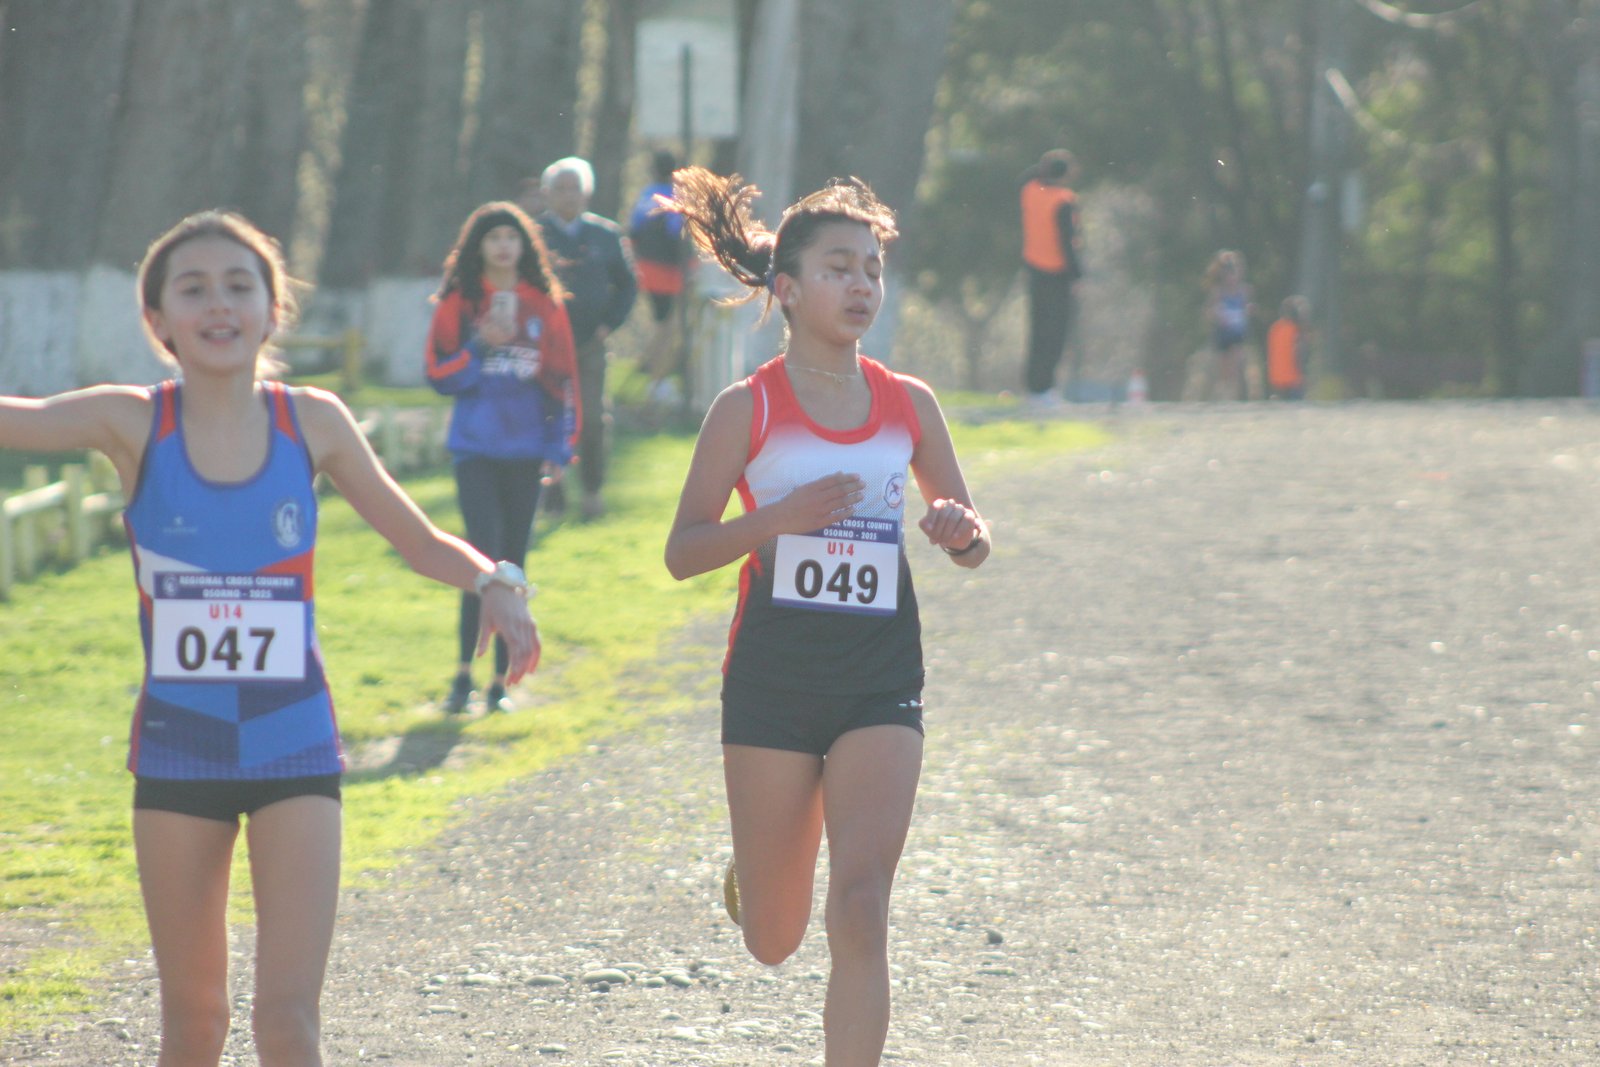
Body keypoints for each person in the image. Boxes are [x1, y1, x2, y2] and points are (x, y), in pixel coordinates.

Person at [0, 210, 539, 1066]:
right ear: (158, 321)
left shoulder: (312, 422)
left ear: (272, 309)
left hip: (296, 750)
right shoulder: (131, 422)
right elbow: (12, 419)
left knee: (287, 1021)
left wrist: (492, 581)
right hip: (177, 756)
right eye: (194, 288)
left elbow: (419, 540)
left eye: (239, 285)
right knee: (196, 1021)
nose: (219, 305)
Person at [664, 167, 991, 1066]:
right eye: (839, 268)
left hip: (878, 677)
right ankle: (761, 872)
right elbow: (683, 550)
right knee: (775, 936)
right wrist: (774, 519)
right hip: (771, 679)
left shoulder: (907, 403)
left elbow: (972, 542)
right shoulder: (747, 408)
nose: (861, 287)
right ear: (787, 288)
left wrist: (960, 531)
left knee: (861, 903)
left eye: (872, 271)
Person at [426, 201, 577, 714]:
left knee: (514, 561)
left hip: (526, 450)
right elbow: (438, 376)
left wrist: (560, 449)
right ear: (479, 246)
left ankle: (500, 685)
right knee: (480, 560)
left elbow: (562, 382)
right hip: (476, 449)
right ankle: (461, 678)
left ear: (524, 246)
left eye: (512, 236)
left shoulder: (545, 304)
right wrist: (476, 347)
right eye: (493, 237)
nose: (503, 245)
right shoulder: (460, 302)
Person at [535, 156, 637, 519]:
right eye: (560, 189)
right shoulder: (534, 235)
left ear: (586, 193)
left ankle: (592, 490)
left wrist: (609, 324)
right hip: (544, 346)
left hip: (591, 344)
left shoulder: (606, 235)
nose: (568, 196)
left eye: (574, 188)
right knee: (548, 416)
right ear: (546, 193)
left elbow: (627, 286)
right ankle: (551, 491)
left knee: (591, 418)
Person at [1019, 149, 1084, 406]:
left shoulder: (1030, 190)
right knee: (1055, 333)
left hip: (1034, 269)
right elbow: (1067, 242)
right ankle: (1045, 388)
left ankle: (1032, 387)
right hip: (1058, 273)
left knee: (1037, 331)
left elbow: (1026, 176)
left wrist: (1042, 166)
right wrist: (1077, 275)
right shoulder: (1064, 200)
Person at [628, 149, 691, 408]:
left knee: (661, 321)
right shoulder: (674, 197)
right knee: (669, 326)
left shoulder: (645, 195)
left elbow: (633, 230)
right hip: (668, 271)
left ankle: (651, 374)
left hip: (645, 267)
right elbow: (677, 234)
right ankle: (656, 381)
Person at [1203, 249, 1254, 401]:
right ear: (1224, 276)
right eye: (1229, 274)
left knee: (1237, 363)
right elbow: (1208, 312)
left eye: (1235, 274)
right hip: (1223, 332)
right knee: (1223, 368)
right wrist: (1217, 314)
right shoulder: (1218, 292)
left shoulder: (1244, 290)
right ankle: (1223, 395)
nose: (1232, 278)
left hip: (1237, 333)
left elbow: (1246, 309)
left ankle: (1234, 397)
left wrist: (1249, 310)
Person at [1266, 295, 1310, 400]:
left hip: (1276, 379)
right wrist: (1303, 373)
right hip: (1293, 379)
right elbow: (1298, 354)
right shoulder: (1296, 331)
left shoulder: (1275, 328)